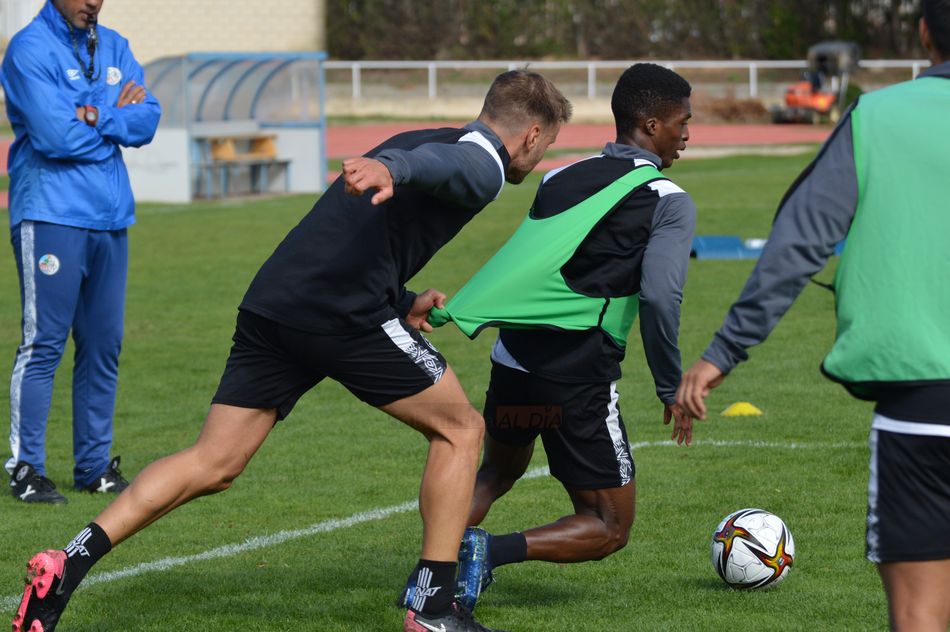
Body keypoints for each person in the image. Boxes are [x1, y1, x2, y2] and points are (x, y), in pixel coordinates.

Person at [11, 69, 571, 632]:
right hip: (339, 316)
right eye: (545, 144)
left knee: (214, 462)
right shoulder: (480, 164)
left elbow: (359, 231)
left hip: (276, 304)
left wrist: (401, 299)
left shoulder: (422, 136)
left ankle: (65, 567)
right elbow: (453, 170)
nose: (539, 156)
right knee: (461, 430)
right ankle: (432, 607)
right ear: (531, 135)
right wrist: (392, 170)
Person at [676, 2, 950, 630]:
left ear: (925, 32)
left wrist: (724, 351)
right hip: (919, 404)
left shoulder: (880, 115)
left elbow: (799, 242)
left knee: (920, 618)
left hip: (921, 408)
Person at [400, 63, 695, 611]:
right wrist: (670, 385)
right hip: (578, 379)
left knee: (497, 469)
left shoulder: (559, 175)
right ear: (652, 126)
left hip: (513, 361)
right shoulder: (667, 199)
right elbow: (660, 297)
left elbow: (535, 266)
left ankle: (429, 580)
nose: (687, 135)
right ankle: (486, 552)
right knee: (609, 525)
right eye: (683, 122)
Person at [1, 0, 161, 505]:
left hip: (110, 216)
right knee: (43, 343)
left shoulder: (115, 44)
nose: (92, 1)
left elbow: (148, 120)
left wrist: (91, 113)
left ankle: (94, 467)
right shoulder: (29, 48)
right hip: (50, 213)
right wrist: (115, 114)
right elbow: (53, 136)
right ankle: (26, 468)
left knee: (103, 344)